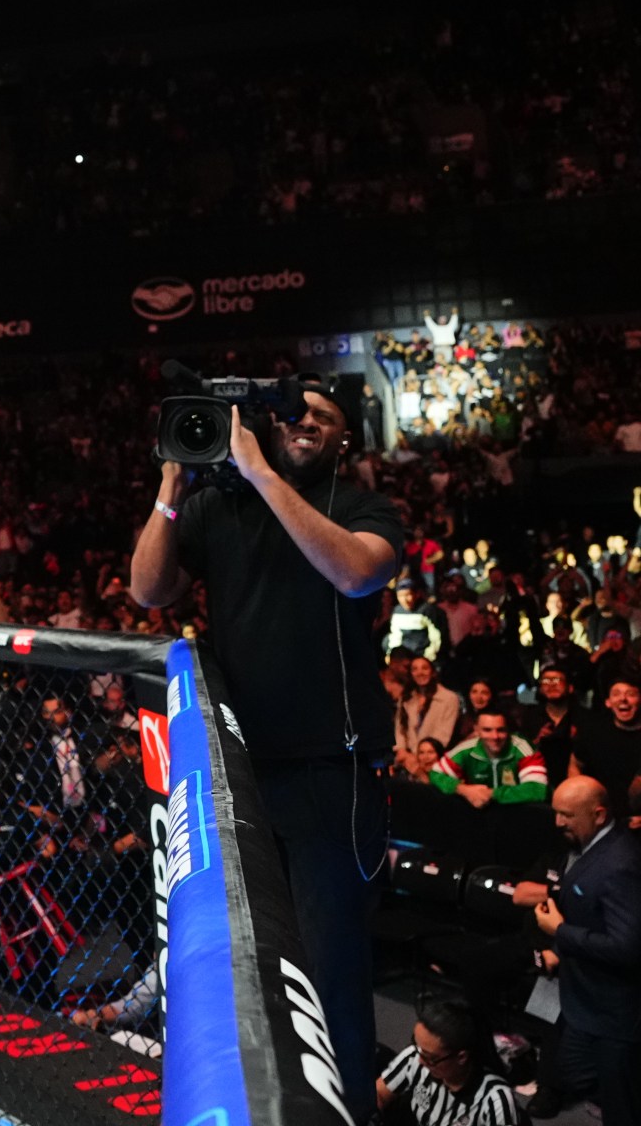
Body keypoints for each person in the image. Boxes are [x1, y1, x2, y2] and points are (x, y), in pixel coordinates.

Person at [131, 379, 404, 1120]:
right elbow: (149, 590)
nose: (306, 422)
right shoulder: (219, 504)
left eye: (324, 417)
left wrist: (261, 472)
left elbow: (356, 571)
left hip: (328, 772)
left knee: (329, 968)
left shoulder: (358, 505)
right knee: (248, 954)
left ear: (345, 438)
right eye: (295, 413)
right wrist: (171, 484)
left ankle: (347, 1111)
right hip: (242, 769)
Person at [530, 777, 641, 1126]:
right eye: (556, 813)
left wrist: (560, 931)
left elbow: (628, 947)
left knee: (622, 1109)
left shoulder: (621, 864)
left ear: (599, 815)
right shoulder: (587, 846)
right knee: (577, 1076)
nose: (558, 823)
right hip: (582, 1002)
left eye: (567, 815)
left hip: (614, 1015)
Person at [373, 993, 524, 1126]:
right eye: (416, 1043)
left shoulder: (495, 1099)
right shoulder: (414, 1056)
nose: (420, 1061)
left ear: (461, 1057)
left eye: (430, 1058)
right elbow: (378, 1094)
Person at [431, 711, 549, 808]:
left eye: (500, 730)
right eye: (487, 730)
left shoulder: (522, 748)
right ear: (477, 730)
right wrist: (463, 789)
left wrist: (490, 794)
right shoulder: (465, 750)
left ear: (508, 730)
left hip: (518, 815)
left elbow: (537, 789)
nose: (495, 737)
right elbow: (436, 774)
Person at [574, 679, 641, 822]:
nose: (623, 699)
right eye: (616, 694)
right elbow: (575, 763)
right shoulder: (593, 733)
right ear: (608, 702)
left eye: (631, 694)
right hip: (607, 819)